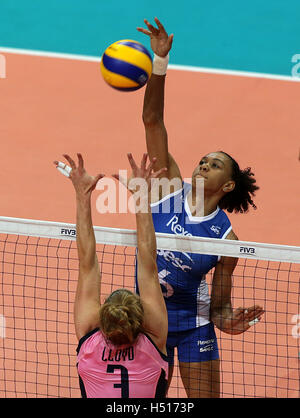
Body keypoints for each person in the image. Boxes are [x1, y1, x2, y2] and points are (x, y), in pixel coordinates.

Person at [136, 18, 265, 398]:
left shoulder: (226, 239)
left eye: (215, 163)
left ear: (227, 186)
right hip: (147, 322)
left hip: (194, 328)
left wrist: (231, 321)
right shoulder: (165, 189)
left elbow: (221, 307)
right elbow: (152, 120)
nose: (203, 163)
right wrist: (160, 63)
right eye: (203, 159)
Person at [54, 152, 168, 398]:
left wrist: (83, 194)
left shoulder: (89, 336)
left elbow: (87, 264)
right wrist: (140, 196)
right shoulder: (154, 335)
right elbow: (148, 264)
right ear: (141, 318)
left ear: (102, 315)